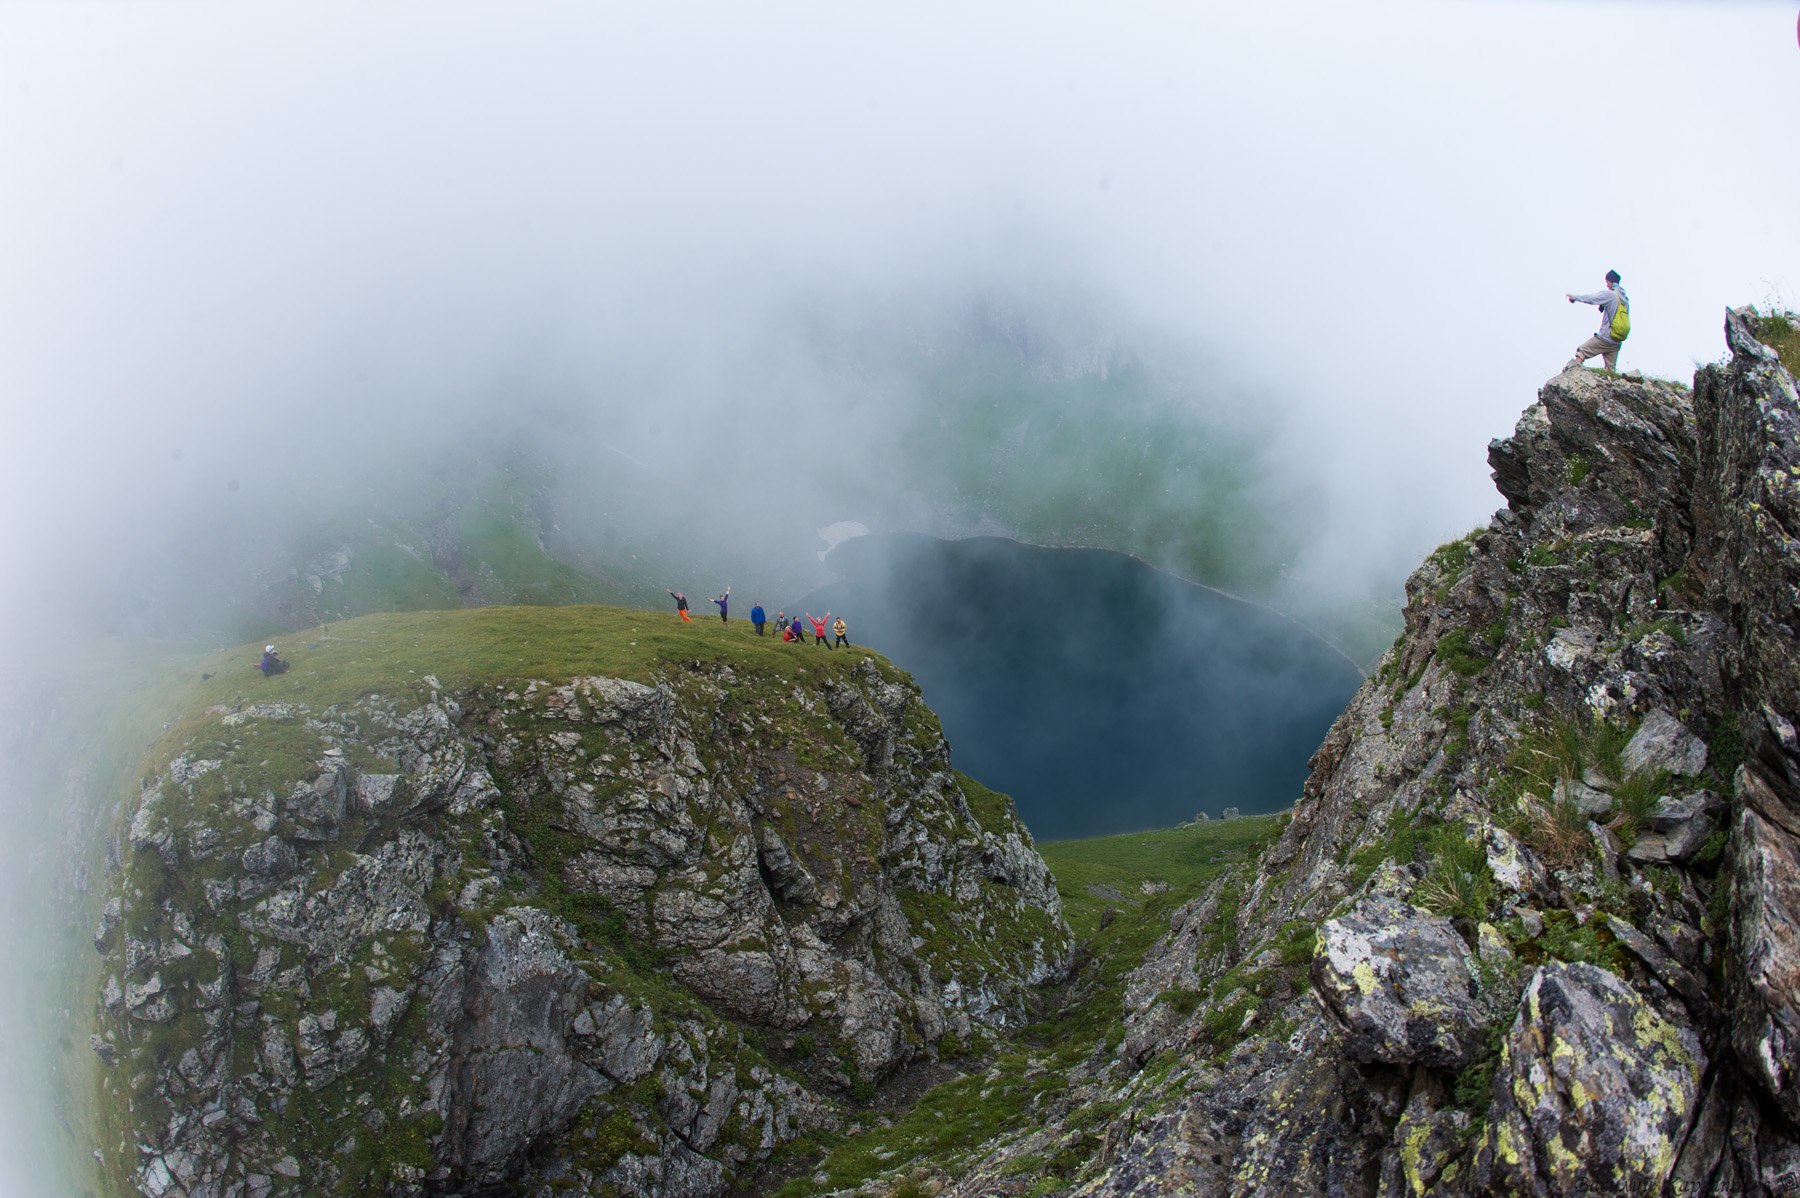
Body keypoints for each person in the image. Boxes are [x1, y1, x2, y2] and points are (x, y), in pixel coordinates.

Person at [1565, 270, 1629, 372]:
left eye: (1607, 282)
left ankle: (1574, 376)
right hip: (1616, 342)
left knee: (1581, 351)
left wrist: (1574, 297)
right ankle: (1610, 385)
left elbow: (1591, 298)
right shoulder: (1625, 299)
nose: (1606, 285)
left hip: (1605, 338)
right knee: (1610, 371)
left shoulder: (1610, 295)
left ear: (1610, 281)